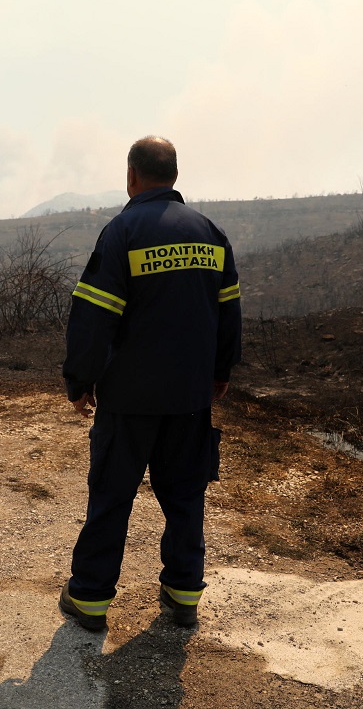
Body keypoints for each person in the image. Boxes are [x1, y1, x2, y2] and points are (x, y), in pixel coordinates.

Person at [58, 136, 242, 632]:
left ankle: (91, 600)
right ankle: (184, 594)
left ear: (131, 176)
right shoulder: (210, 234)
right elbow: (229, 313)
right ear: (175, 175)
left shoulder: (122, 233)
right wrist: (221, 372)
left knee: (112, 496)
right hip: (189, 398)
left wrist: (80, 379)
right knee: (185, 497)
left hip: (130, 399)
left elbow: (94, 316)